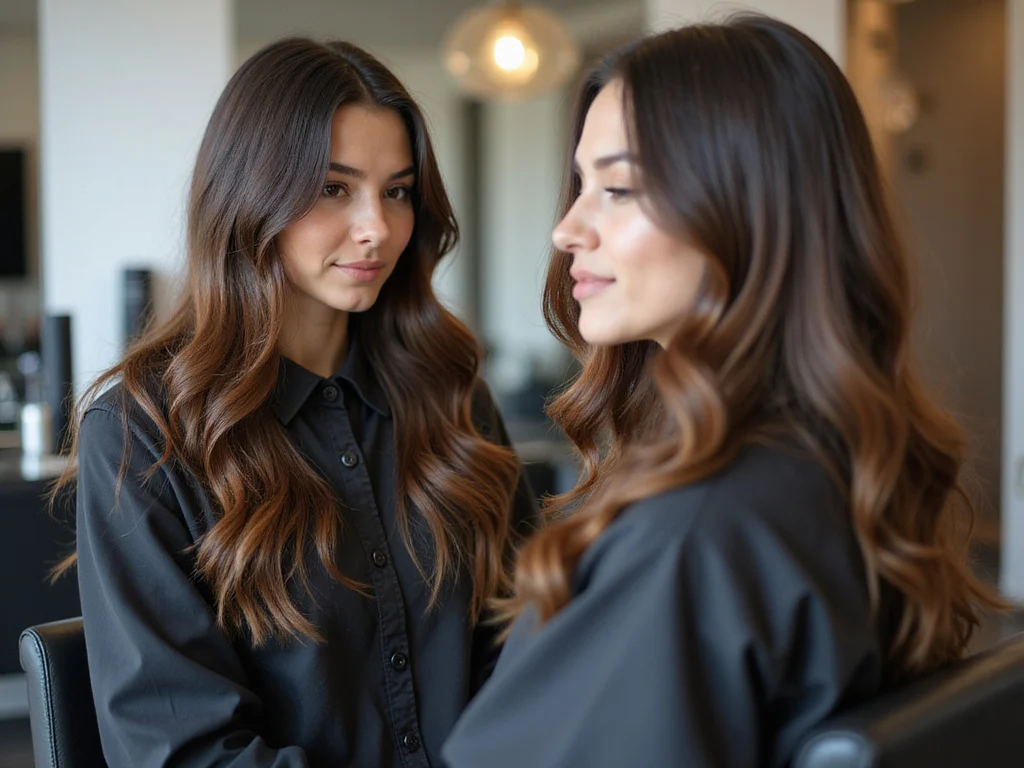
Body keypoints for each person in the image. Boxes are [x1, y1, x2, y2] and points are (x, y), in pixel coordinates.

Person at [442, 14, 1002, 768]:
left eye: (619, 187)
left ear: (749, 208)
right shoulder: (835, 464)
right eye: (580, 185)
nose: (568, 228)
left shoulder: (692, 532)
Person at [52, 37, 537, 768]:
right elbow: (184, 751)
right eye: (333, 188)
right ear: (250, 196)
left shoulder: (453, 398)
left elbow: (525, 651)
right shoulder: (141, 433)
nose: (376, 226)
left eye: (398, 190)